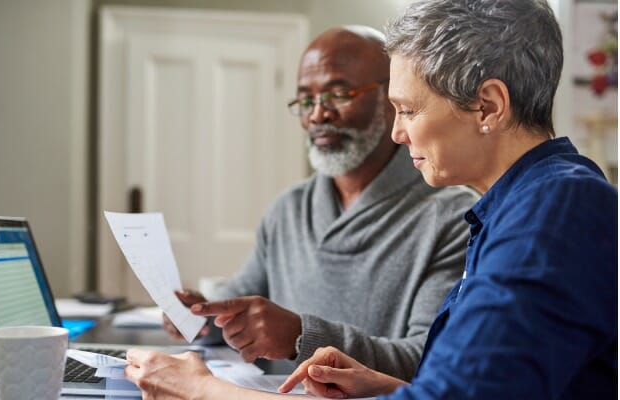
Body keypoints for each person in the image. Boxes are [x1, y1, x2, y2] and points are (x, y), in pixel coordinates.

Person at [124, 0, 618, 398]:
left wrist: (205, 391)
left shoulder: (554, 211)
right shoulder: (517, 206)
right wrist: (385, 384)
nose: (398, 133)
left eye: (406, 109)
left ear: (487, 106)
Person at [162, 25, 478, 380]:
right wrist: (202, 316)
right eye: (306, 100)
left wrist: (301, 337)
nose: (317, 115)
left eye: (338, 94)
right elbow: (240, 308)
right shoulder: (288, 210)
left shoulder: (454, 218)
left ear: (393, 98)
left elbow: (429, 357)